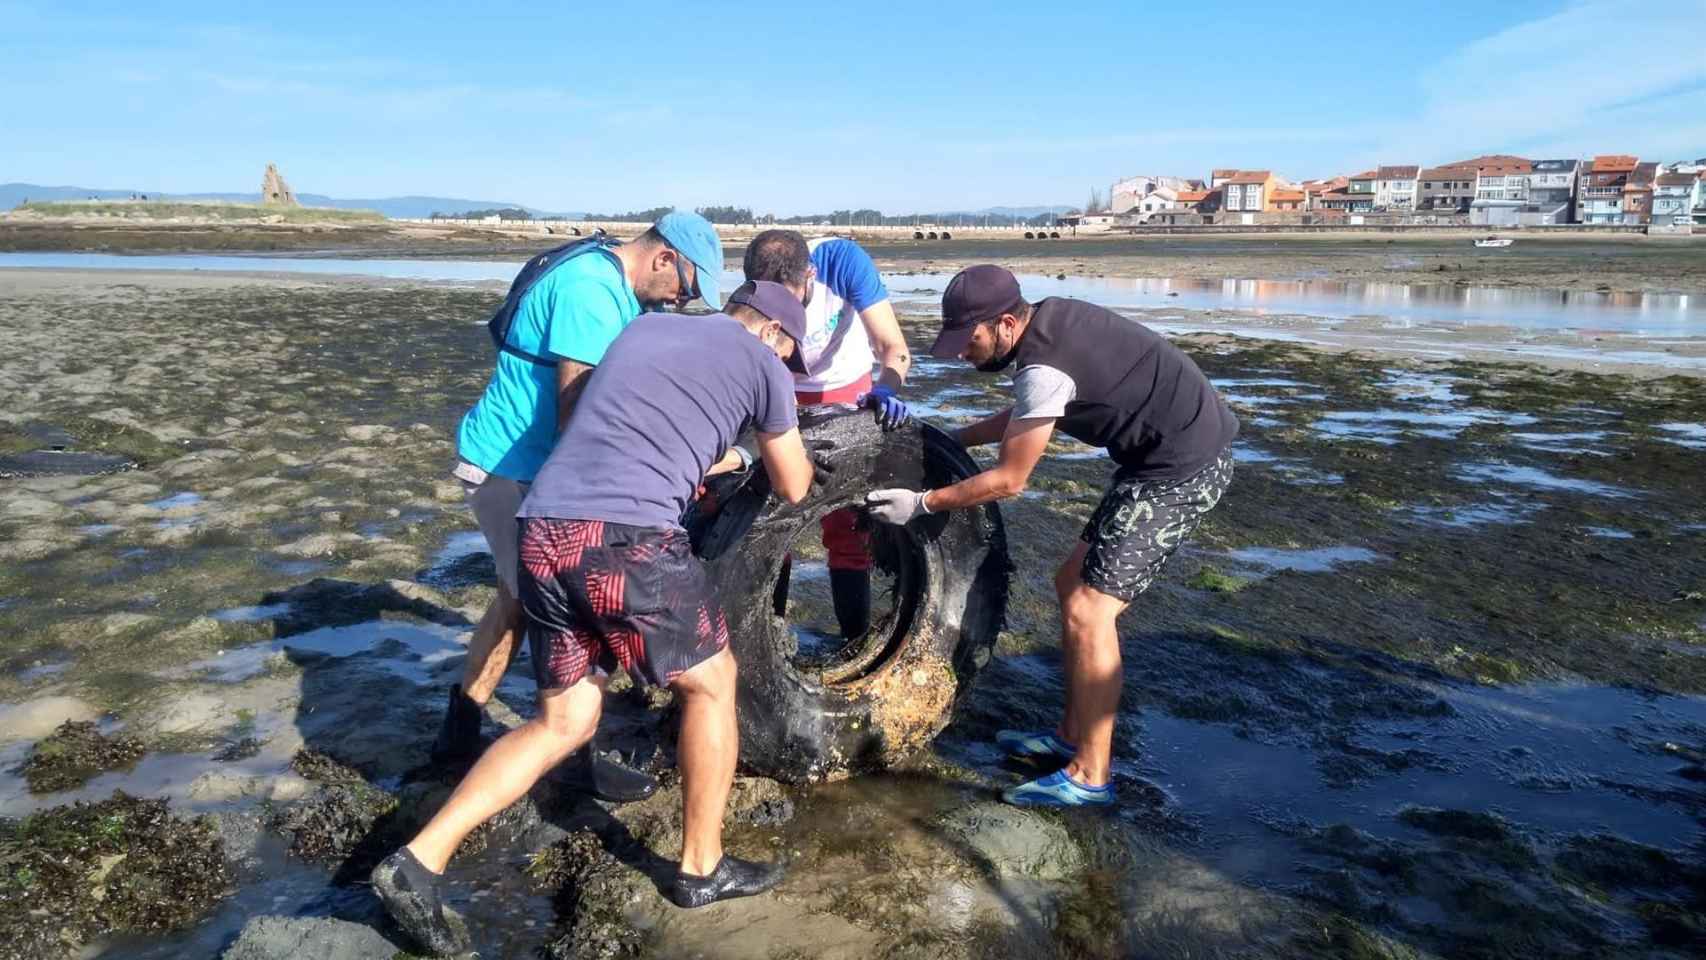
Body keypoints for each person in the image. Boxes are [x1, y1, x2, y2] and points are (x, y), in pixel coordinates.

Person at [374, 281, 815, 953]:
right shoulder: (762, 365)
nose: (785, 365)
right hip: (625, 540)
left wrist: (719, 455)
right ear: (776, 337)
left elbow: (626, 428)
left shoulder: (641, 332)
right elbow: (794, 485)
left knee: (565, 720)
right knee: (713, 681)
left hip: (545, 530)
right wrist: (769, 442)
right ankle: (702, 867)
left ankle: (417, 862)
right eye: (789, 354)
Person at [865, 265, 1238, 808]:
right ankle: (1070, 737)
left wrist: (921, 503)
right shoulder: (1048, 327)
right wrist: (954, 438)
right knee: (1071, 585)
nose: (962, 354)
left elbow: (1011, 481)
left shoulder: (1042, 365)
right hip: (1152, 460)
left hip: (1183, 466)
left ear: (1008, 323)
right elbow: (1030, 413)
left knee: (1091, 610)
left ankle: (1091, 775)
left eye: (969, 341)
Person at [435, 211, 725, 806]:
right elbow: (578, 412)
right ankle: (557, 750)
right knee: (554, 603)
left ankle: (460, 736)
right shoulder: (590, 293)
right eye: (686, 289)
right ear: (663, 258)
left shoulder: (614, 288)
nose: (682, 303)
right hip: (510, 469)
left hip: (530, 470)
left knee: (519, 598)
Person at [742, 229, 911, 640]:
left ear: (811, 276)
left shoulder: (843, 262)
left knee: (849, 526)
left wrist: (888, 386)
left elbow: (893, 346)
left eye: (791, 299)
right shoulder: (753, 290)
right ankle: (769, 637)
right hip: (783, 393)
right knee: (771, 521)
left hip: (845, 389)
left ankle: (853, 639)